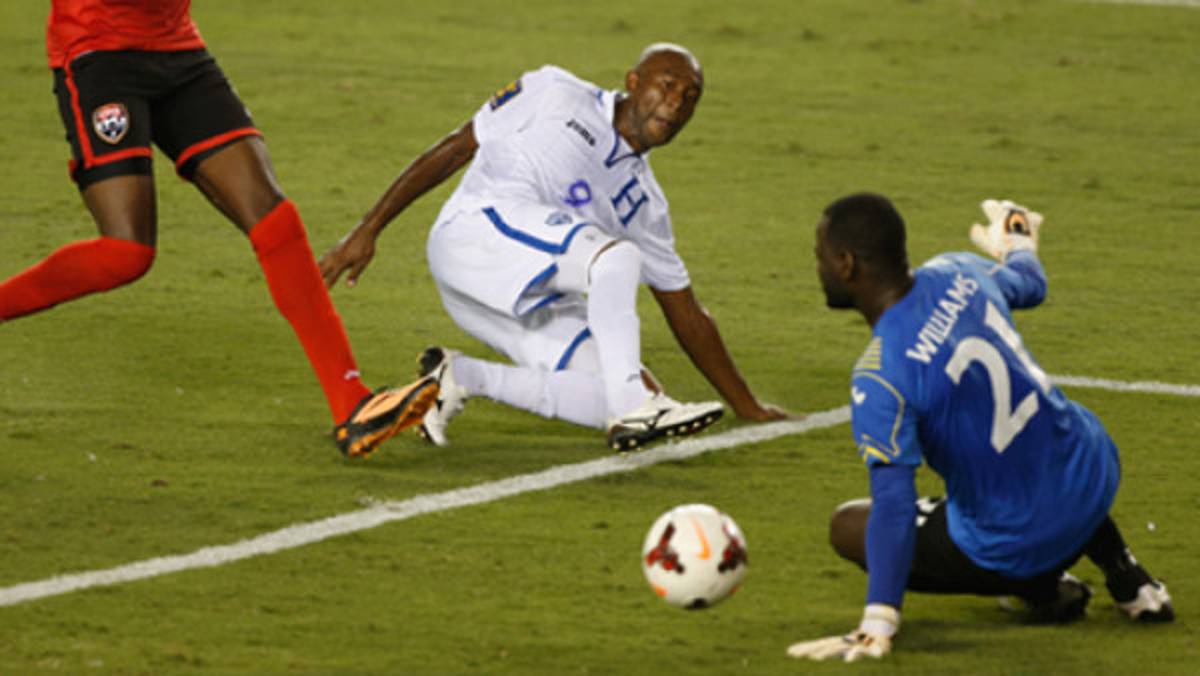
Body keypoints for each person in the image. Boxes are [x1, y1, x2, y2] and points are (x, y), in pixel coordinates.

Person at [0, 0, 436, 458]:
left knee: (274, 218)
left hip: (179, 51)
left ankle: (352, 404)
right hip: (98, 55)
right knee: (126, 252)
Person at [319, 43, 787, 451]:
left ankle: (460, 378)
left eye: (689, 98)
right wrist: (369, 228)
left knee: (613, 389)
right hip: (474, 236)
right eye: (666, 86)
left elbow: (686, 312)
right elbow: (456, 147)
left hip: (519, 296)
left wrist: (749, 408)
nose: (674, 104)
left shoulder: (645, 203)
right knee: (617, 257)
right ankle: (636, 408)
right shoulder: (556, 92)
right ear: (633, 81)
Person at [787, 194, 1174, 663]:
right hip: (1094, 475)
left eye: (820, 257)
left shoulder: (880, 373)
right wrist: (1018, 243)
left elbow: (893, 505)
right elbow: (1031, 285)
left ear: (847, 264)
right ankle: (1127, 576)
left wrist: (877, 622)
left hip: (1022, 536)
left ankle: (1044, 589)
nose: (818, 268)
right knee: (1042, 440)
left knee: (848, 525)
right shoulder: (960, 270)